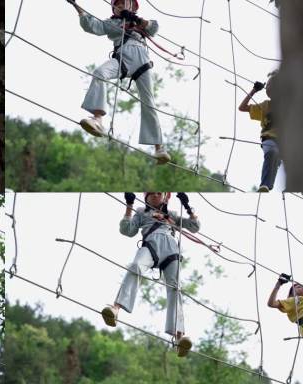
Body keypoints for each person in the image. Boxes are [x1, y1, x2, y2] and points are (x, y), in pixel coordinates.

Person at [67, 0, 170, 164]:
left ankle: (159, 148)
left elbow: (154, 27)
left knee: (148, 101)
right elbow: (92, 25)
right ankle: (97, 119)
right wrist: (76, 6)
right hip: (123, 57)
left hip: (142, 60)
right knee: (100, 73)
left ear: (133, 7)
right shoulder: (112, 23)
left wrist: (135, 19)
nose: (120, 6)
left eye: (124, 3)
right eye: (117, 4)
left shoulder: (140, 23)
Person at [102, 192, 200, 357]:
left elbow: (194, 226)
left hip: (171, 248)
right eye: (151, 193)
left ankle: (179, 337)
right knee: (135, 267)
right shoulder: (142, 213)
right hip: (151, 244)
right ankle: (116, 309)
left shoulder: (172, 215)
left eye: (158, 193)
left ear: (164, 197)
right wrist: (129, 205)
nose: (155, 195)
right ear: (146, 198)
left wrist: (188, 207)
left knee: (175, 288)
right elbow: (127, 230)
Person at [238, 71, 280, 192]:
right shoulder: (265, 106)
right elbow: (242, 107)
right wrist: (254, 91)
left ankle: (269, 185)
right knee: (272, 151)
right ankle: (265, 185)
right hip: (269, 139)